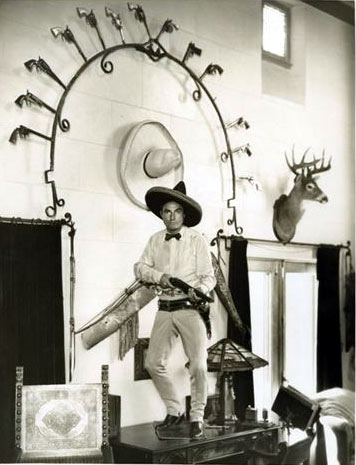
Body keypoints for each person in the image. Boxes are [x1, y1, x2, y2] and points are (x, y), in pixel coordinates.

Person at [134, 181, 216, 439]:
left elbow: (209, 277)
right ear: (161, 214)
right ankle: (174, 410)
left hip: (190, 308)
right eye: (167, 211)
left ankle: (197, 417)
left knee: (199, 366)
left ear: (184, 214)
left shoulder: (197, 240)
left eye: (176, 211)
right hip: (164, 307)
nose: (171, 216)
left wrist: (199, 289)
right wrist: (160, 277)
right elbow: (139, 268)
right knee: (152, 362)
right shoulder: (154, 240)